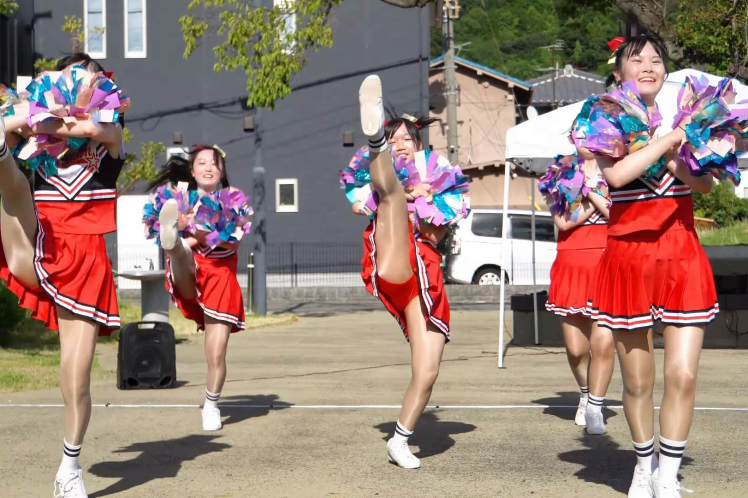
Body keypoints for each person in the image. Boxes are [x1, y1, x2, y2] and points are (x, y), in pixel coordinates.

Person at [575, 35, 718, 497]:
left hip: (681, 253)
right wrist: (670, 140)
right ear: (619, 71)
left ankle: (668, 475)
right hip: (629, 254)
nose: (649, 66)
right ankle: (643, 465)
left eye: (656, 59)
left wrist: (677, 143)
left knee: (683, 374)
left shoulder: (688, 119)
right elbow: (615, 175)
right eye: (637, 60)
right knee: (638, 381)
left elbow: (708, 186)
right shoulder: (603, 113)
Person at [0, 53, 125, 497]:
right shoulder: (34, 128)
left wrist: (41, 121)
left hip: (86, 257)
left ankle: (69, 466)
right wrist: (22, 117)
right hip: (40, 233)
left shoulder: (110, 131)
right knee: (13, 185)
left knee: (77, 374)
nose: (81, 83)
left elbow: (94, 129)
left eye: (88, 77)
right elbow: (13, 116)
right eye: (72, 75)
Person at [356, 75, 466, 469]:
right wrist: (401, 194)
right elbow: (361, 204)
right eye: (393, 139)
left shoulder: (441, 180)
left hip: (425, 279)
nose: (401, 144)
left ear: (419, 147)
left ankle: (400, 439)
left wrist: (429, 196)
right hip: (393, 259)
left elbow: (437, 230)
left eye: (406, 140)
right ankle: (371, 141)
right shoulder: (376, 182)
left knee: (428, 370)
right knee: (391, 195)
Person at [146, 146, 247, 432]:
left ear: (222, 171)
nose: (207, 167)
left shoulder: (235, 199)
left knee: (215, 354)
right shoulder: (181, 200)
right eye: (201, 162)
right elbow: (156, 226)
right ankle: (174, 246)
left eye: (214, 163)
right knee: (179, 252)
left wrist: (197, 228)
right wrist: (183, 228)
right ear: (192, 171)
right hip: (191, 269)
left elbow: (233, 242)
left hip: (221, 277)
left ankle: (211, 404)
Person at [542, 152, 615, 435]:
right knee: (576, 348)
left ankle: (595, 406)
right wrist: (595, 195)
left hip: (608, 261)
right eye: (579, 130)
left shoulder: (617, 169)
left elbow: (617, 214)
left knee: (603, 344)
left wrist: (589, 194)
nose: (585, 135)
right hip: (571, 262)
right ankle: (585, 392)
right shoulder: (557, 172)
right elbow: (563, 222)